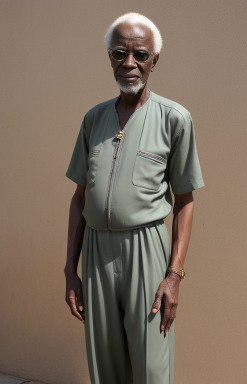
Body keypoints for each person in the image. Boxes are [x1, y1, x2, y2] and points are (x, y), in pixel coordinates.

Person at [64, 12, 204, 384]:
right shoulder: (94, 120)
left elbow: (185, 200)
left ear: (154, 60)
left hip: (146, 252)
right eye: (118, 54)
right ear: (109, 57)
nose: (129, 63)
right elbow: (79, 199)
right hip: (95, 254)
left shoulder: (175, 119)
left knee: (151, 367)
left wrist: (174, 275)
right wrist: (69, 270)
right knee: (104, 365)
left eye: (140, 55)